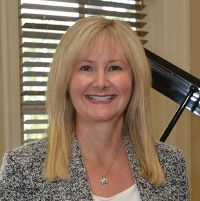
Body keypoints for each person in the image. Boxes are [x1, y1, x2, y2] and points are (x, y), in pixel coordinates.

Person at [0, 16, 189, 200]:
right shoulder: (22, 168)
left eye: (114, 68)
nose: (101, 82)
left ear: (134, 80)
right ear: (66, 80)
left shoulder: (170, 163)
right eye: (86, 68)